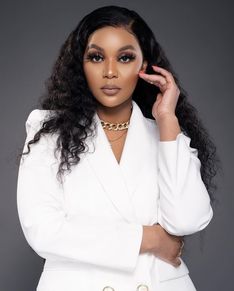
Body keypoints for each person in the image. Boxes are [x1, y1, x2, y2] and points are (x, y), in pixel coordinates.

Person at [17, 5, 219, 291]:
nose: (110, 71)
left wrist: (167, 121)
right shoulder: (48, 131)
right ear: (81, 64)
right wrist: (149, 239)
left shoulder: (164, 134)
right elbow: (44, 231)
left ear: (144, 65)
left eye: (125, 58)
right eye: (96, 57)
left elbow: (187, 219)